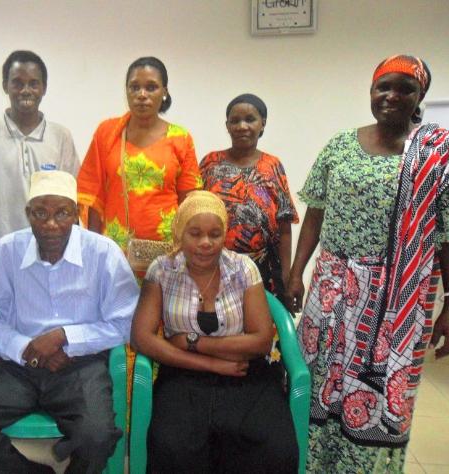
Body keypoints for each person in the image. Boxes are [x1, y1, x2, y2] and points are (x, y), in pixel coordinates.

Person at [285, 55, 449, 473]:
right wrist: (295, 273)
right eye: (384, 87)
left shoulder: (436, 156)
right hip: (331, 291)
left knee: (377, 398)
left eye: (405, 89)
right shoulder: (340, 145)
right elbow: (315, 213)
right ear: (371, 91)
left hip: (396, 302)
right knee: (317, 381)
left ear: (420, 97)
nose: (391, 96)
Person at [0, 171, 140, 474]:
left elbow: (126, 321)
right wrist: (26, 347)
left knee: (96, 437)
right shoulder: (5, 252)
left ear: (76, 214)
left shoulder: (103, 253)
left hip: (79, 366)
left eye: (62, 213)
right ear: (28, 213)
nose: (51, 224)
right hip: (14, 367)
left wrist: (65, 338)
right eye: (40, 213)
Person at [131, 191, 298, 474]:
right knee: (172, 446)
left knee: (274, 447)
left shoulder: (243, 268)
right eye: (195, 234)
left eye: (215, 234)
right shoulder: (162, 270)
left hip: (244, 372)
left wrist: (194, 342)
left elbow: (260, 341)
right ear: (180, 233)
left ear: (225, 235)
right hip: (183, 374)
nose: (206, 243)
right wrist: (212, 364)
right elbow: (141, 338)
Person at [76, 56, 202, 396]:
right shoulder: (108, 132)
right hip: (115, 255)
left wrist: (187, 254)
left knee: (163, 330)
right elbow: (92, 195)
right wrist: (93, 251)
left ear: (164, 92)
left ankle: (156, 404)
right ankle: (119, 406)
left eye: (151, 87)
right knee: (118, 330)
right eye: (135, 87)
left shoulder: (180, 138)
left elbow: (191, 203)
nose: (142, 94)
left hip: (168, 258)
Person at [0, 50, 79, 256]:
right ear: (5, 86)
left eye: (34, 83)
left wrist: (73, 253)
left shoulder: (61, 136)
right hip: (0, 254)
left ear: (44, 88)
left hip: (50, 256)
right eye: (17, 83)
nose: (26, 90)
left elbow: (71, 202)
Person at [200, 93, 298, 298]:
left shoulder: (272, 166)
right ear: (227, 126)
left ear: (263, 124)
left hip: (264, 272)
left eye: (250, 119)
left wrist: (286, 275)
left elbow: (284, 227)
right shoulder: (211, 162)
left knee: (260, 318)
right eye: (235, 121)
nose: (242, 126)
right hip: (213, 266)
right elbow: (193, 214)